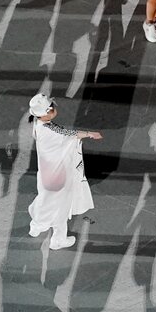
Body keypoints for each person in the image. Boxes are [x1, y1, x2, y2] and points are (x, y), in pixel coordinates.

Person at [26, 93, 100, 250]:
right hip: (59, 177)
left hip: (45, 175)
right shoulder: (52, 131)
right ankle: (58, 239)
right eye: (52, 108)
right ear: (47, 112)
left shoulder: (38, 125)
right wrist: (90, 134)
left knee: (45, 201)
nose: (55, 109)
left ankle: (37, 226)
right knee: (61, 208)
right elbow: (70, 135)